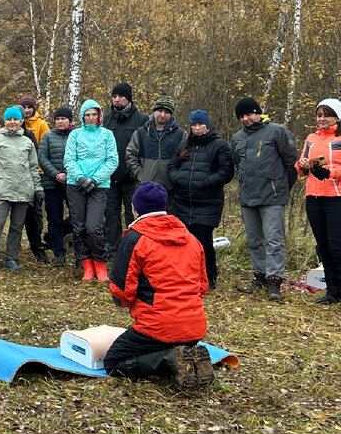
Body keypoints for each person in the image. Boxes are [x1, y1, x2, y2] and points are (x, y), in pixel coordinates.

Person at [103, 182, 214, 391]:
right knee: (165, 340)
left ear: (136, 208)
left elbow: (122, 292)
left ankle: (170, 358)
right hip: (195, 327)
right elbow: (202, 287)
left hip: (156, 327)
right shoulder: (191, 239)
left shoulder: (135, 239)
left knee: (113, 362)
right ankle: (182, 353)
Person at [297, 98, 341, 311]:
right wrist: (302, 165)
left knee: (338, 248)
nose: (322, 119)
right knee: (323, 248)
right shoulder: (311, 138)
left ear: (337, 116)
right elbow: (302, 167)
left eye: (327, 114)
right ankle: (333, 292)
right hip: (314, 198)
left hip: (339, 199)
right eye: (319, 115)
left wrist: (331, 173)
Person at [231, 97, 298, 302]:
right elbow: (237, 163)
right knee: (253, 241)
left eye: (249, 114)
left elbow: (292, 163)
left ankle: (274, 281)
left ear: (258, 113)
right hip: (248, 197)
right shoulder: (237, 138)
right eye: (241, 116)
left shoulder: (277, 131)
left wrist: (281, 187)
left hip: (273, 197)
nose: (246, 118)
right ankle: (259, 277)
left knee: (274, 241)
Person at [167, 111, 235, 289]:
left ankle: (208, 278)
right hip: (182, 202)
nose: (197, 128)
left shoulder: (219, 145)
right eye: (194, 125)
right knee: (182, 242)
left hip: (207, 203)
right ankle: (184, 277)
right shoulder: (184, 144)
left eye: (200, 125)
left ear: (207, 125)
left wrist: (206, 182)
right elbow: (172, 165)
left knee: (203, 242)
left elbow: (227, 172)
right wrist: (178, 178)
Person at [0, 107, 42, 275]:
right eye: (9, 119)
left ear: (21, 121)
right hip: (1, 190)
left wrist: (38, 189)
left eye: (16, 119)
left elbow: (33, 168)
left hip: (23, 192)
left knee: (17, 227)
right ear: (4, 121)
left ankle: (11, 259)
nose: (12, 122)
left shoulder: (27, 142)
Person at [62, 99, 118, 282]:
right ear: (82, 117)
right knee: (79, 227)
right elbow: (69, 159)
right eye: (88, 115)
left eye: (95, 114)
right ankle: (86, 265)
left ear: (100, 116)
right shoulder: (75, 135)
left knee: (94, 227)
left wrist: (95, 180)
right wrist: (81, 178)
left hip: (99, 186)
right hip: (76, 185)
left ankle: (100, 263)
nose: (91, 118)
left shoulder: (107, 135)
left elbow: (112, 161)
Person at [103, 83, 148, 260]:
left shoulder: (142, 120)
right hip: (109, 178)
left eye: (121, 96)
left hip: (133, 178)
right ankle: (112, 250)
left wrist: (141, 173)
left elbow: (146, 148)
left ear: (128, 98)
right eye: (114, 96)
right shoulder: (105, 120)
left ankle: (131, 250)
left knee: (133, 216)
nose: (117, 99)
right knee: (111, 215)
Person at [125, 95, 185, 208]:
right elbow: (130, 156)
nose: (162, 115)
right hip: (145, 191)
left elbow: (186, 159)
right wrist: (141, 175)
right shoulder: (141, 133)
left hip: (171, 193)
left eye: (167, 112)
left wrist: (176, 178)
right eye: (160, 110)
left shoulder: (181, 135)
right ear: (154, 111)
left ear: (171, 114)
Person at [37, 105, 76, 267]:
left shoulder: (76, 135)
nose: (60, 122)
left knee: (77, 217)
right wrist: (56, 175)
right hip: (51, 183)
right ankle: (59, 253)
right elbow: (42, 157)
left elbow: (80, 156)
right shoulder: (47, 137)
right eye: (58, 119)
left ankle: (80, 251)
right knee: (54, 218)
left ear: (70, 121)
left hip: (73, 182)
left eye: (63, 119)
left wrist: (68, 174)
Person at [19, 94, 50, 263]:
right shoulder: (10, 126)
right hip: (12, 178)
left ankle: (37, 247)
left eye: (30, 107)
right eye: (24, 107)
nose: (27, 110)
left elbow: (42, 150)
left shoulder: (41, 126)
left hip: (35, 174)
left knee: (34, 214)